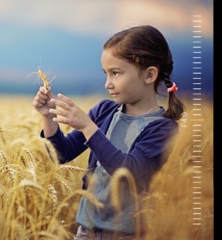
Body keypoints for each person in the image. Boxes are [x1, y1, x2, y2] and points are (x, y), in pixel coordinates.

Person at [32, 25, 185, 239]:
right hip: (87, 230)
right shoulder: (104, 112)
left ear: (150, 74)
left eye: (115, 73)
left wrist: (87, 127)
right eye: (105, 73)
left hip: (129, 234)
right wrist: (48, 117)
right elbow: (61, 154)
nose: (107, 84)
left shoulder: (163, 128)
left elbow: (128, 171)